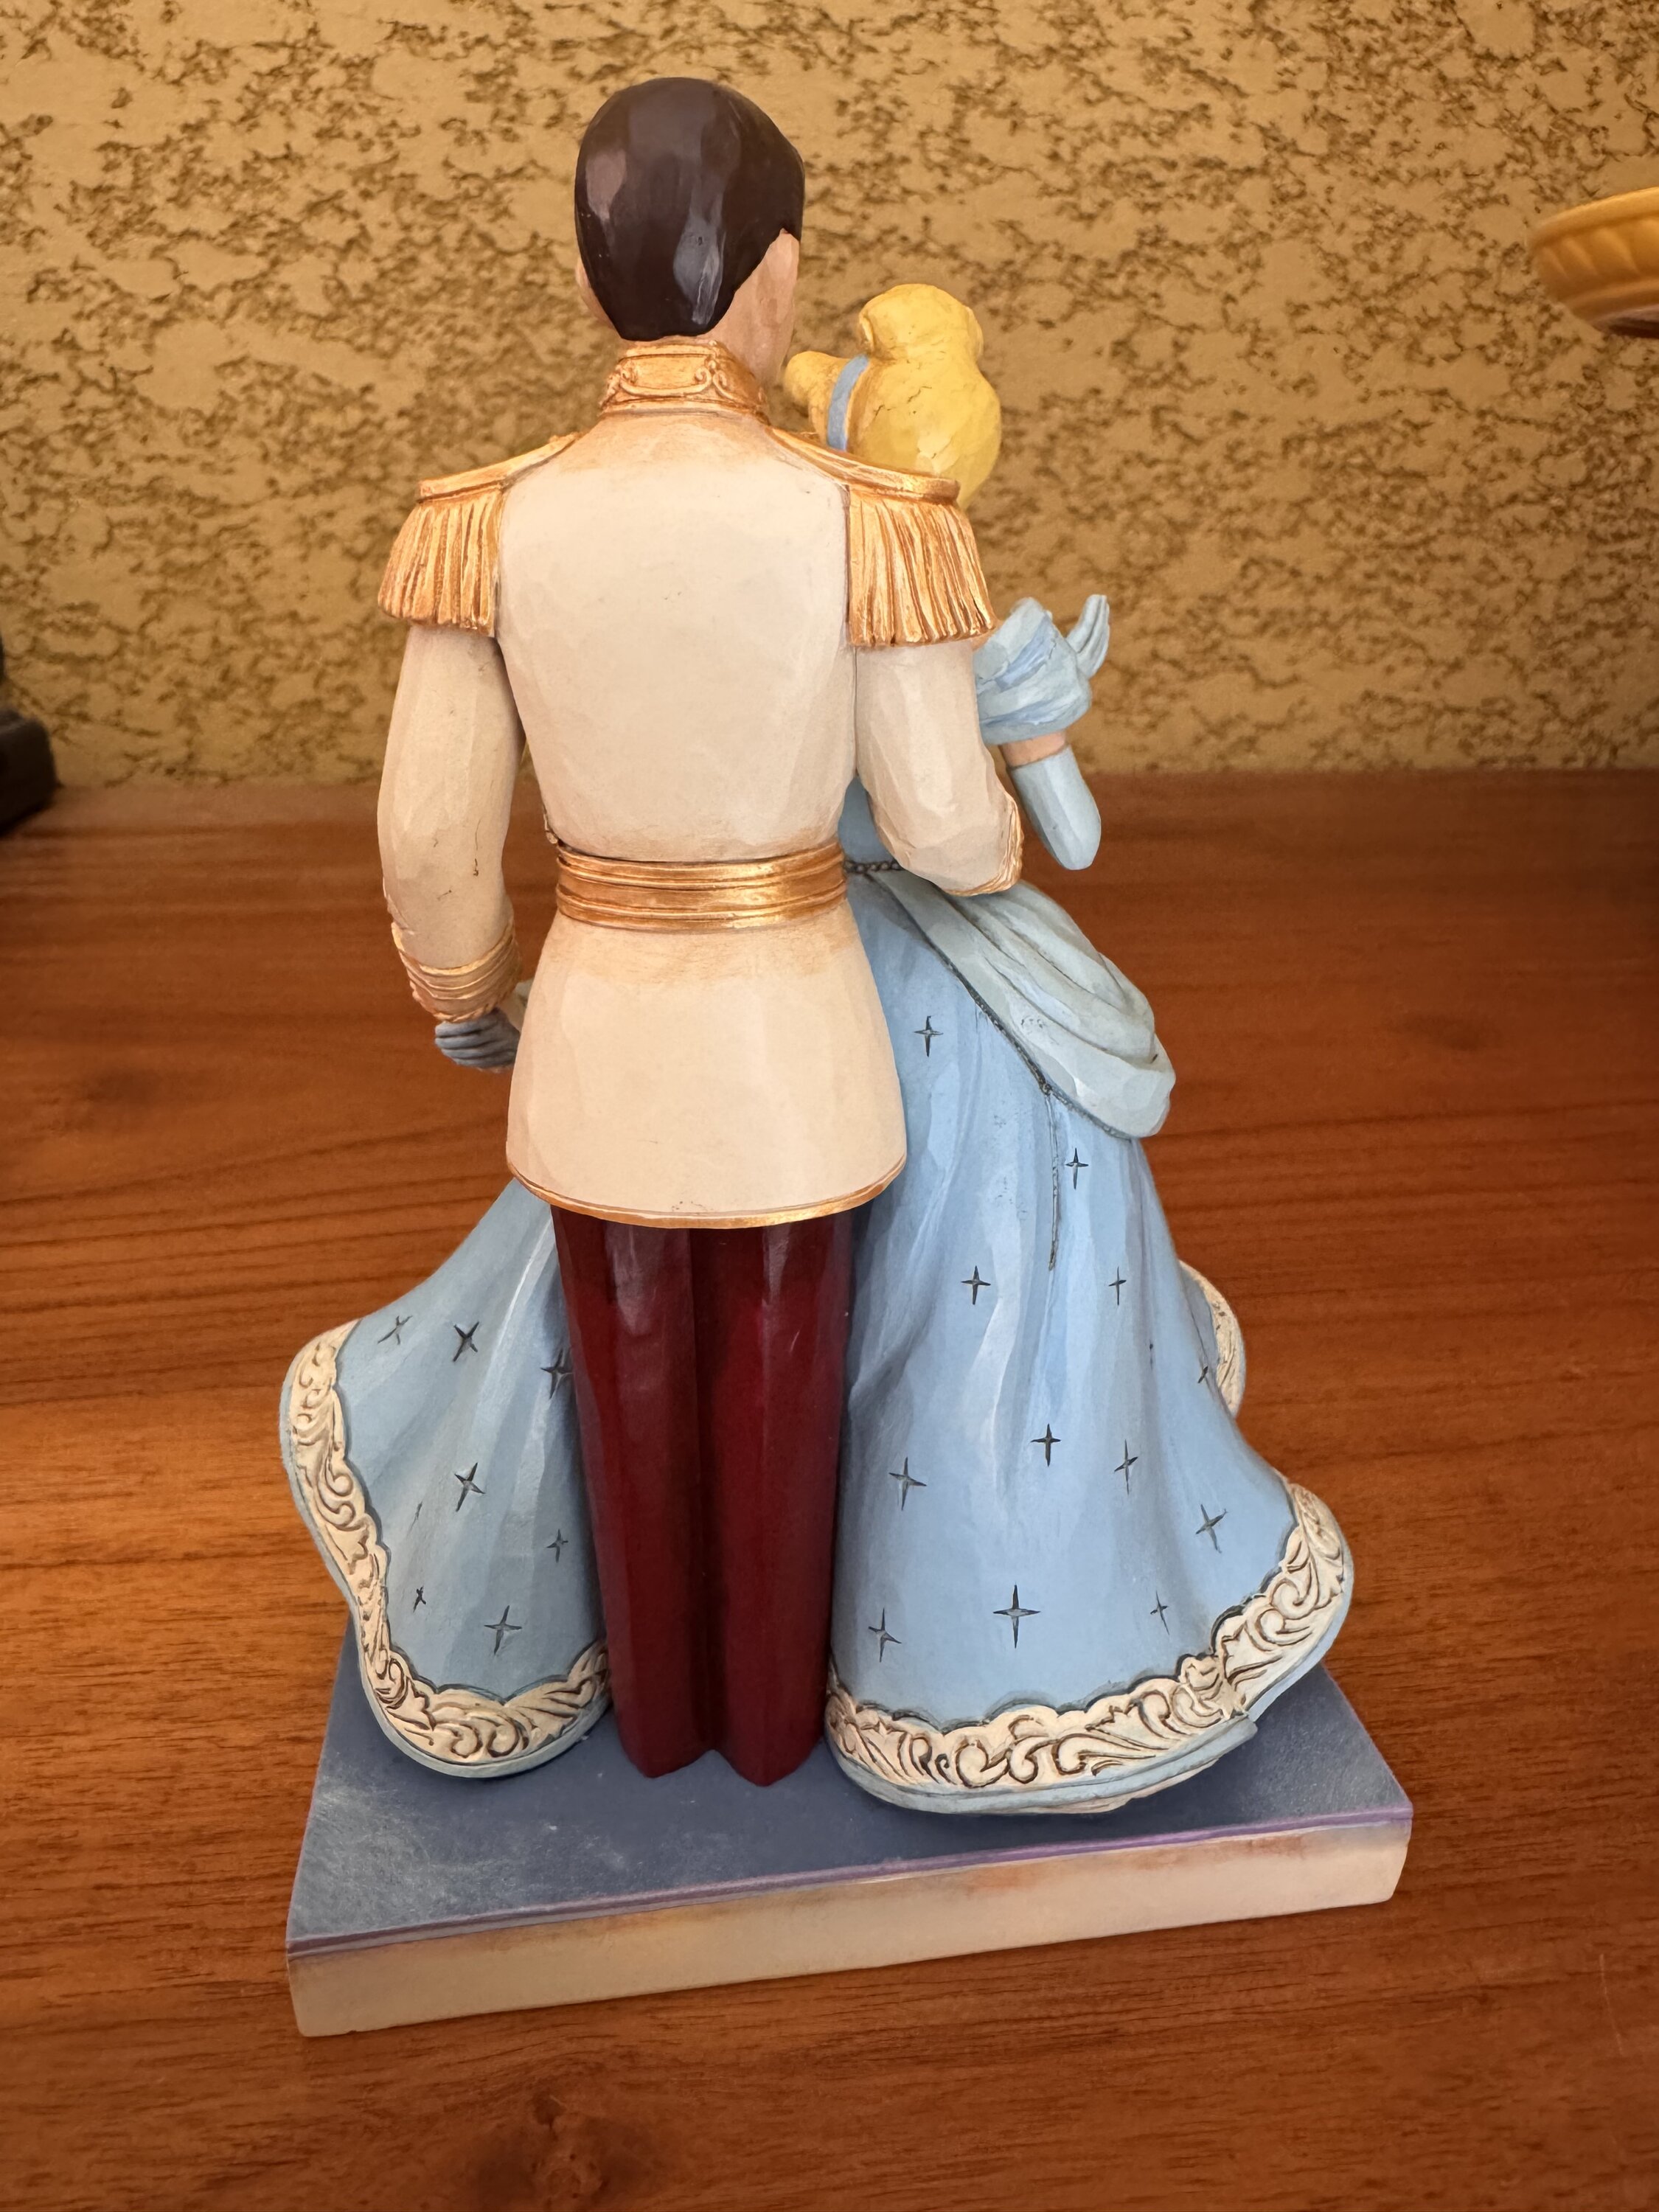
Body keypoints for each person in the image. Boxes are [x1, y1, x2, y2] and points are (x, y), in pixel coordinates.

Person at [287, 80, 1020, 1791]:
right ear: (777, 274)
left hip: (597, 1032)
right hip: (796, 1035)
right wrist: (1006, 829)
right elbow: (942, 825)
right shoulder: (873, 516)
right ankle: (771, 1732)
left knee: (624, 1364)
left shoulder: (485, 519)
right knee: (781, 1372)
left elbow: (428, 833)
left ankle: (657, 1718)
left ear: (588, 278)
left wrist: (470, 994)